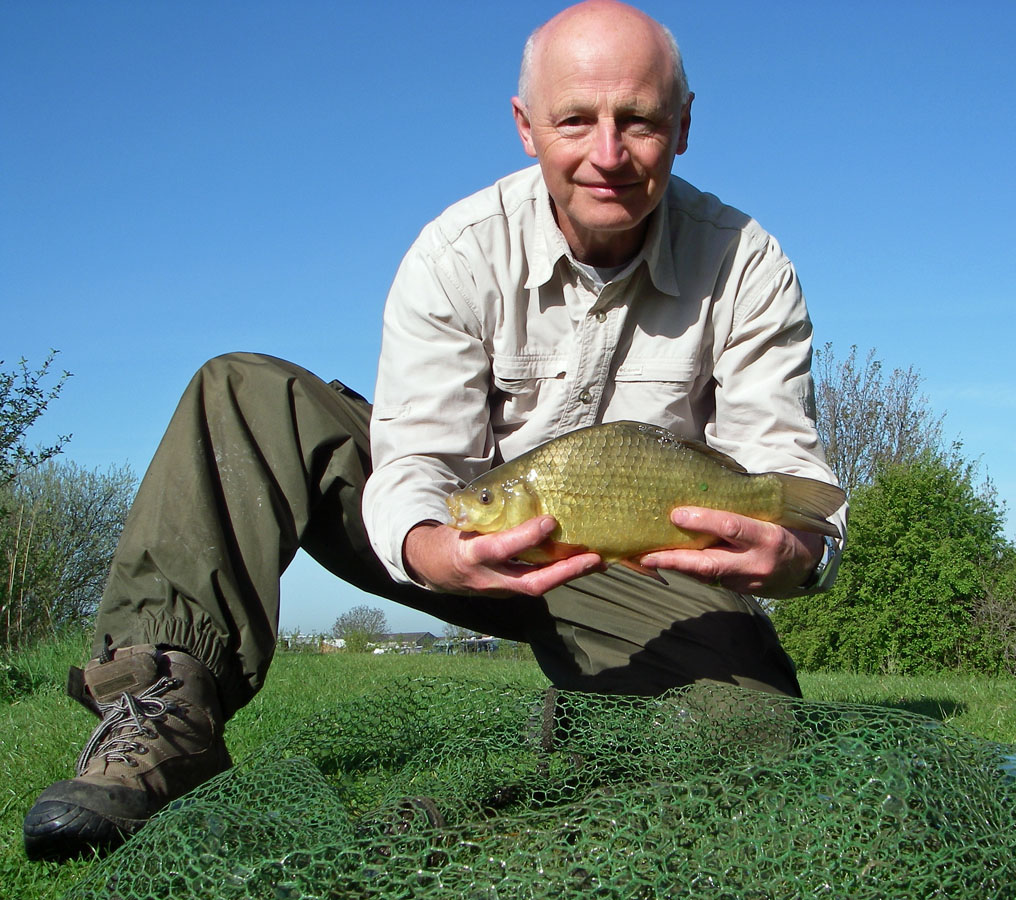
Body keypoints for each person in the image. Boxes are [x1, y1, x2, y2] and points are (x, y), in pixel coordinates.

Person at [23, 0, 845, 862]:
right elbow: (417, 454)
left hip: (634, 570)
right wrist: (432, 549)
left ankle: (598, 717)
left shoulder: (748, 262)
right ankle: (157, 723)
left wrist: (799, 552)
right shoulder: (456, 251)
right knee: (242, 392)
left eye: (637, 121)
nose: (607, 154)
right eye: (576, 120)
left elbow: (782, 467)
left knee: (754, 737)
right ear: (527, 128)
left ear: (682, 127)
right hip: (461, 525)